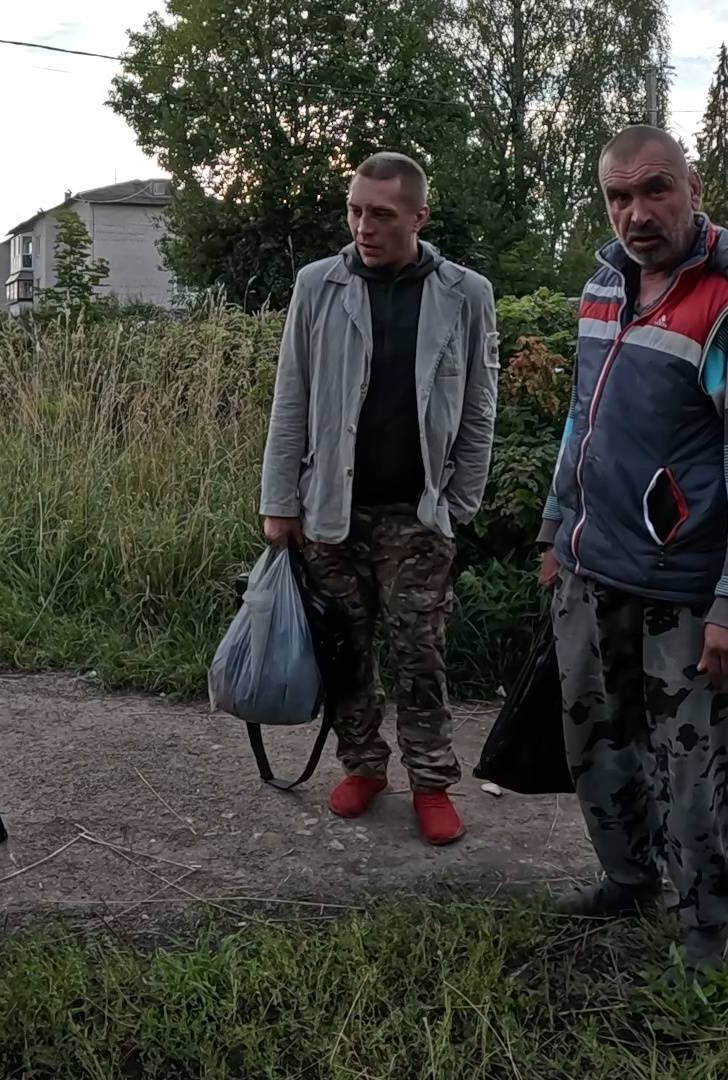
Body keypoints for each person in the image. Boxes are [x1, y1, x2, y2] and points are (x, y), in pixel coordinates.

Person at [537, 126, 728, 972]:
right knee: (597, 744)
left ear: (694, 187)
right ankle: (628, 877)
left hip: (680, 587)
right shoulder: (603, 285)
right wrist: (556, 527)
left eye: (655, 190)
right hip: (591, 566)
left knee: (692, 769)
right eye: (619, 197)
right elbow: (582, 419)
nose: (637, 214)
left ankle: (706, 927)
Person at [259, 151, 500, 846]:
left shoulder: (466, 294)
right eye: (355, 210)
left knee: (420, 652)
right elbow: (291, 397)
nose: (364, 226)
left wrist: (459, 504)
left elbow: (480, 405)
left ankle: (431, 781)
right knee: (345, 650)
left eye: (382, 214)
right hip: (329, 511)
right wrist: (280, 501)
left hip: (418, 513)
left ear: (419, 217)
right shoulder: (318, 285)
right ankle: (363, 765)